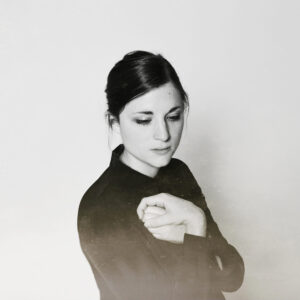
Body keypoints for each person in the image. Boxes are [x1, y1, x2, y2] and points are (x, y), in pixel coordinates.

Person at [77, 50, 244, 300]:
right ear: (114, 123)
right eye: (144, 120)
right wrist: (195, 230)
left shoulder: (178, 171)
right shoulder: (99, 209)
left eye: (173, 117)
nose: (163, 134)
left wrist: (193, 223)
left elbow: (232, 275)